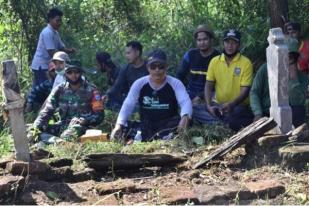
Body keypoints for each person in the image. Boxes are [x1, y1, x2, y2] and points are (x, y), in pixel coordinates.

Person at [110, 49, 192, 142]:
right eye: (153, 67)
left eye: (161, 67)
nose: (157, 70)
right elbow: (128, 104)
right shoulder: (139, 83)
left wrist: (185, 117)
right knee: (125, 127)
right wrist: (118, 125)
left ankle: (167, 137)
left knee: (184, 123)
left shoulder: (175, 83)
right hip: (146, 124)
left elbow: (185, 101)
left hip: (168, 123)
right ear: (148, 68)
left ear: (166, 67)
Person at [31, 64, 104, 143]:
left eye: (76, 72)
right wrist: (36, 127)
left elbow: (99, 115)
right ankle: (58, 142)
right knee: (32, 131)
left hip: (83, 127)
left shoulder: (92, 90)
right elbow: (47, 111)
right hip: (63, 125)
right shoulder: (59, 89)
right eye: (70, 72)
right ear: (65, 74)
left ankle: (57, 142)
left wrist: (85, 120)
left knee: (68, 135)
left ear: (81, 73)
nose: (73, 75)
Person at [202, 29, 254, 131]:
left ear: (239, 45)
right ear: (223, 43)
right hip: (219, 105)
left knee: (236, 116)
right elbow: (208, 85)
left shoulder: (245, 62)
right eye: (227, 42)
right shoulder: (215, 61)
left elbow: (245, 90)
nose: (230, 46)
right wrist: (208, 105)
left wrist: (232, 104)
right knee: (194, 109)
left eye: (233, 42)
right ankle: (222, 123)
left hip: (238, 106)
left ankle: (221, 123)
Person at [250, 38, 308, 127]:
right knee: (238, 118)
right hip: (266, 112)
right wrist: (258, 113)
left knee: (298, 111)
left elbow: (297, 102)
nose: (286, 58)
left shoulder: (301, 75)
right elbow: (254, 92)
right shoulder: (265, 68)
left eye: (290, 57)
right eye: (283, 55)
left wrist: (293, 78)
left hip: (288, 112)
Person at [30, 7, 75, 89]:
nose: (59, 23)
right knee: (43, 90)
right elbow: (51, 52)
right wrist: (64, 58)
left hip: (46, 66)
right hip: (42, 66)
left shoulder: (55, 33)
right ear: (50, 19)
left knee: (38, 89)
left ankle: (30, 101)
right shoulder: (47, 32)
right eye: (57, 20)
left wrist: (70, 50)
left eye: (60, 20)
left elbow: (62, 47)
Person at [176, 24, 220, 104]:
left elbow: (219, 83)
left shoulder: (218, 57)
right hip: (191, 92)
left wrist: (200, 96)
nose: (202, 43)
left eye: (205, 39)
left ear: (211, 40)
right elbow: (180, 75)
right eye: (199, 40)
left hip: (211, 93)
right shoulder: (190, 54)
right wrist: (182, 92)